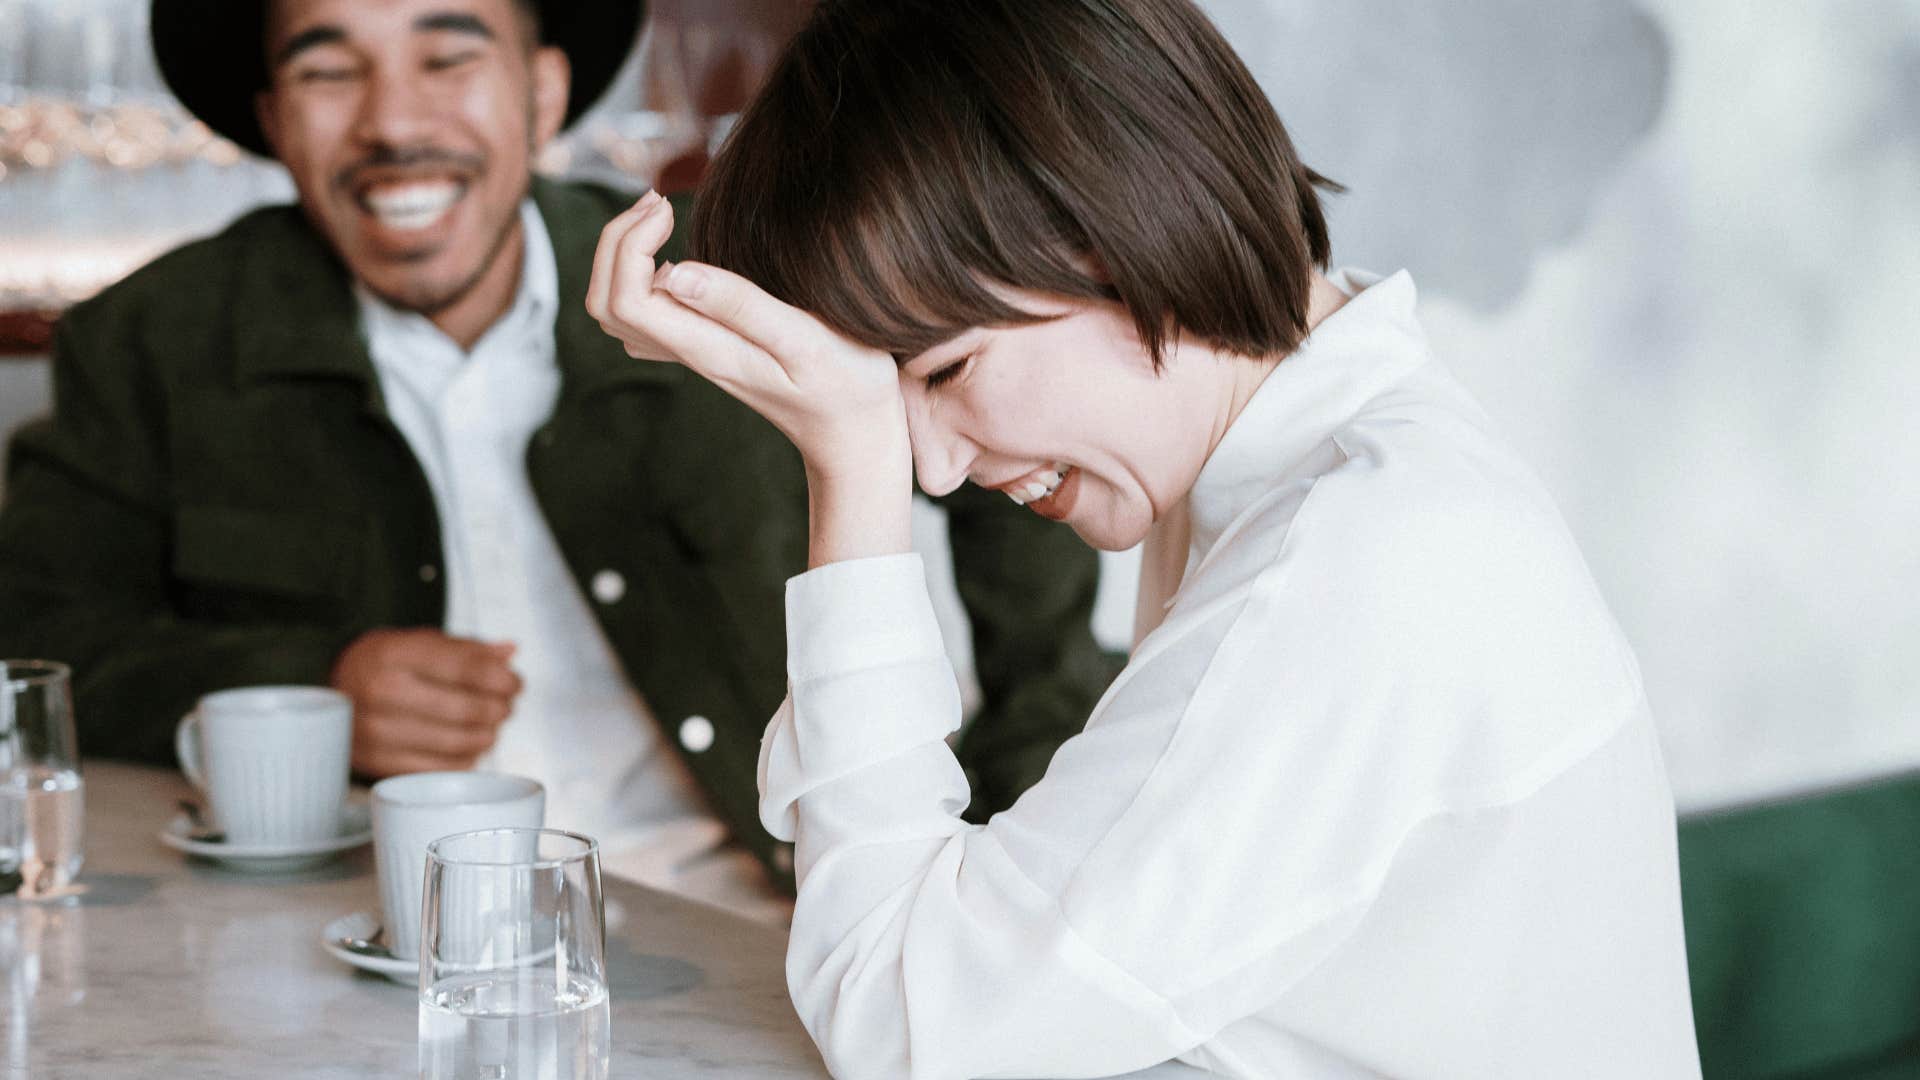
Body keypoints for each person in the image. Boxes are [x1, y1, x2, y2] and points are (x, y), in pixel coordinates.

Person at [587, 0, 1704, 1073]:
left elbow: (901, 1022)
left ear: (1113, 233)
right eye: (889, 413)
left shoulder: (1358, 563)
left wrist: (852, 471)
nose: (932, 467)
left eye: (945, 370)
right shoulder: (1310, 477)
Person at [0, 0, 1117, 918]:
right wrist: (314, 677)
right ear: (272, 118)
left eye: (448, 56)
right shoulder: (153, 342)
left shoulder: (738, 280)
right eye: (330, 71)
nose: (395, 123)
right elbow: (37, 656)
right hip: (363, 955)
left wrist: (1007, 873)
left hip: (764, 932)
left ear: (541, 93)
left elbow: (1021, 542)